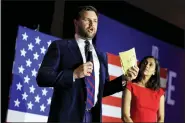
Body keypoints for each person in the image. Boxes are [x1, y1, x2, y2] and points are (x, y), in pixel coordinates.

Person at [36, 6, 139, 123]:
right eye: (87, 20)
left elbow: (102, 90)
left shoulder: (101, 55)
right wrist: (74, 74)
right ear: (76, 22)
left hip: (91, 117)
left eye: (95, 21)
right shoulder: (60, 46)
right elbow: (42, 77)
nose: (92, 25)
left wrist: (124, 79)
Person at [122, 56, 165, 122]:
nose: (147, 65)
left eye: (150, 65)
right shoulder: (130, 86)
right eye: (145, 63)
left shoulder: (160, 92)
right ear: (140, 66)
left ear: (154, 71)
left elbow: (161, 118)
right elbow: (125, 116)